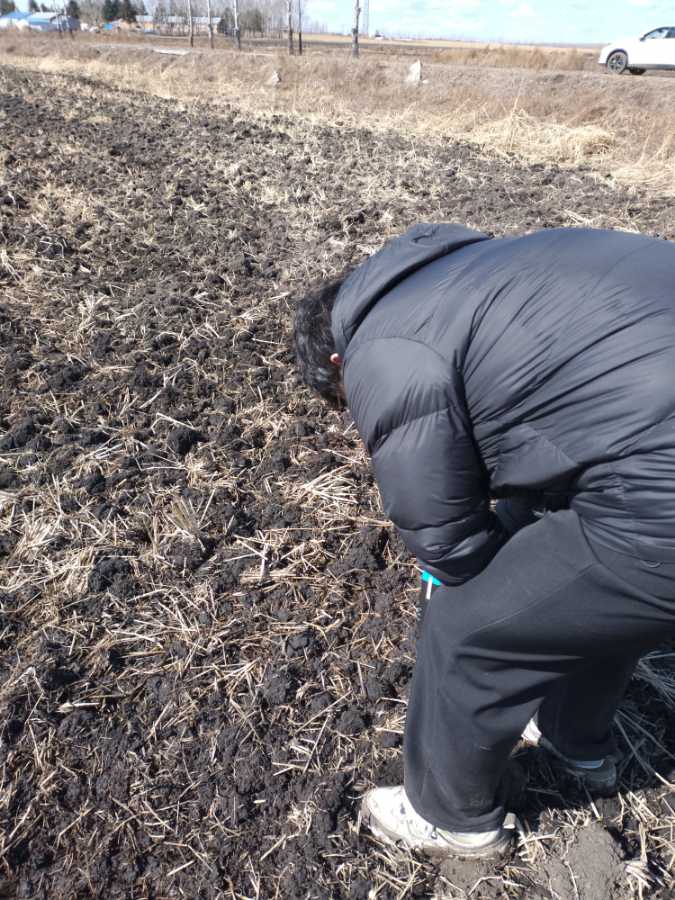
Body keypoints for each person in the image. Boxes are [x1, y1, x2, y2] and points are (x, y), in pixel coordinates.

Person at [293, 223, 675, 859]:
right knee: (585, 588)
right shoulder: (465, 274)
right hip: (646, 439)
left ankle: (448, 817)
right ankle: (577, 742)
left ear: (338, 362)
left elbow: (446, 540)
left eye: (344, 401)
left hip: (661, 487)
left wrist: (469, 577)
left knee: (471, 625)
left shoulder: (384, 346)